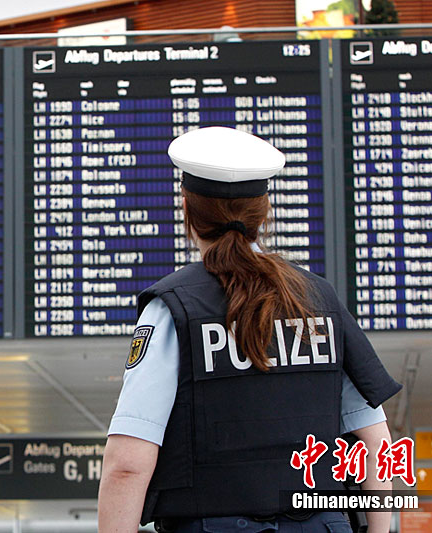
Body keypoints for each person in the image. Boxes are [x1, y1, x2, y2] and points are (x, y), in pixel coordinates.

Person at [98, 126, 402, 533]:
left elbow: (128, 464)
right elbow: (375, 444)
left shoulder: (173, 309)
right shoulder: (319, 299)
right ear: (264, 211)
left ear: (187, 209)